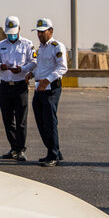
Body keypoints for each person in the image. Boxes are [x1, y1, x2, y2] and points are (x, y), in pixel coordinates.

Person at [0, 16, 37, 161]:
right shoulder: (1, 44)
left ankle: (21, 149)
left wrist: (23, 69)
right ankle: (14, 147)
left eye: (13, 31)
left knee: (21, 120)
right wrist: (0, 66)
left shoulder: (27, 44)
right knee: (7, 119)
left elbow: (34, 61)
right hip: (5, 86)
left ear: (19, 29)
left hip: (19, 86)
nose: (11, 34)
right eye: (9, 32)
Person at [27, 18, 68, 167]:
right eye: (38, 32)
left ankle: (54, 155)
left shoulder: (57, 46)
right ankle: (53, 150)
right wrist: (32, 74)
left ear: (50, 31)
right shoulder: (42, 48)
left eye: (42, 32)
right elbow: (42, 66)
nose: (39, 34)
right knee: (40, 120)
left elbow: (62, 68)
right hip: (40, 88)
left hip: (51, 88)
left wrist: (47, 80)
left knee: (50, 122)